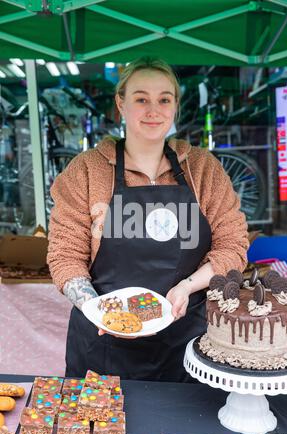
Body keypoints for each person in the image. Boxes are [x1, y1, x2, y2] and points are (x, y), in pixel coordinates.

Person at [47, 57, 249, 381]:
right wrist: (99, 313)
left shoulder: (203, 169)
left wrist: (186, 286)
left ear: (175, 106)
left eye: (164, 99)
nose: (153, 110)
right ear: (120, 104)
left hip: (187, 342)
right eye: (141, 99)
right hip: (102, 347)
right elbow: (64, 256)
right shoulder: (86, 171)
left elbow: (233, 247)